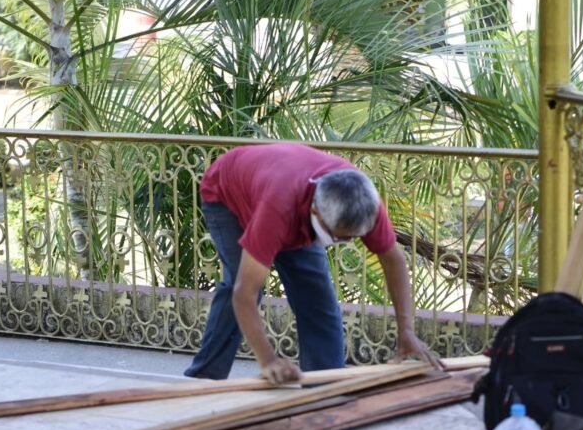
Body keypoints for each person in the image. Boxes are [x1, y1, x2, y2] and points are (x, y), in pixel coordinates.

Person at [184, 142, 441, 384]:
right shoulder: (278, 210)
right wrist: (269, 360)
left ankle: (325, 388)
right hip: (226, 192)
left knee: (318, 301)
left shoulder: (364, 202)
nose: (346, 243)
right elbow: (244, 294)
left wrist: (406, 330)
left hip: (281, 191)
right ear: (316, 212)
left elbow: (393, 262)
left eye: (353, 238)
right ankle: (203, 380)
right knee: (238, 287)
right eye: (339, 237)